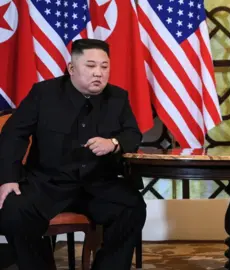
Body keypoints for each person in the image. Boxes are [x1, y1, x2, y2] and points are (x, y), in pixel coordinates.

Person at [0, 39, 146, 270]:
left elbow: (133, 133)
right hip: (48, 183)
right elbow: (13, 134)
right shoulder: (44, 93)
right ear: (72, 68)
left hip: (98, 184)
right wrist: (8, 178)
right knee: (14, 211)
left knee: (132, 208)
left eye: (104, 66)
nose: (98, 73)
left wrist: (114, 143)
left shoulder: (118, 97)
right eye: (90, 66)